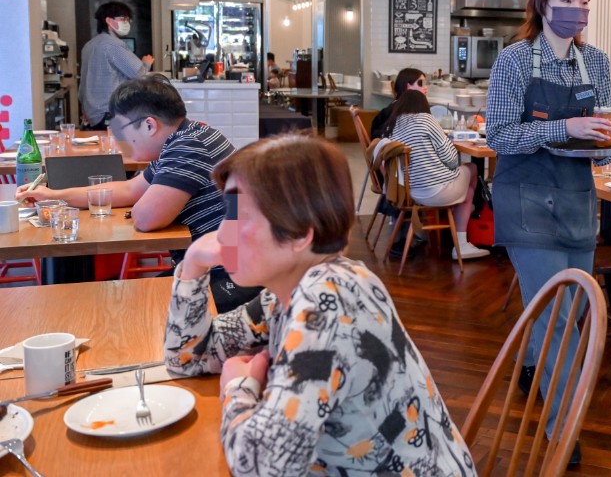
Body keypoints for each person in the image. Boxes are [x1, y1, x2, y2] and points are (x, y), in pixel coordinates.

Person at [163, 135, 475, 476]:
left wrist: (238, 388)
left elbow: (262, 467)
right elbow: (187, 357)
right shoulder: (288, 293)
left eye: (240, 216)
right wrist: (192, 266)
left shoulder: (327, 299)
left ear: (300, 233)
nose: (223, 234)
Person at [485, 0, 611, 466]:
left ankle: (536, 363)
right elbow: (499, 136)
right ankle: (563, 429)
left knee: (574, 312)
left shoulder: (597, 63)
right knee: (558, 318)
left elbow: (605, 143)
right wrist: (563, 128)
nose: (576, 11)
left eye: (582, 2)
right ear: (542, 5)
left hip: (578, 200)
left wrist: (607, 144)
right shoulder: (516, 60)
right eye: (565, 1)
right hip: (526, 200)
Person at [17, 77, 254, 307]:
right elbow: (130, 188)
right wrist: (53, 195)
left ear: (149, 125)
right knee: (120, 303)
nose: (120, 140)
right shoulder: (186, 136)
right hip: (219, 268)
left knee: (126, 308)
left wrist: (144, 204)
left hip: (235, 278)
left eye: (121, 131)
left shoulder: (187, 146)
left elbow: (145, 218)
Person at [381, 90, 488, 260]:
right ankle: (463, 234)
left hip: (412, 192)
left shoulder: (393, 125)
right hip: (439, 191)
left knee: (466, 192)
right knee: (472, 169)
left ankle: (461, 211)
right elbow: (452, 160)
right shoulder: (427, 120)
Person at [78, 1, 155, 130]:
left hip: (92, 114)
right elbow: (139, 75)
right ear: (108, 21)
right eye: (123, 19)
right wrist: (146, 63)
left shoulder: (89, 45)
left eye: (128, 20)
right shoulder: (113, 44)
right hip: (108, 113)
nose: (127, 23)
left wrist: (85, 109)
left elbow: (83, 83)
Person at [370, 67, 428, 139]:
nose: (425, 87)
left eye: (425, 83)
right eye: (421, 83)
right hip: (390, 147)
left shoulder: (399, 105)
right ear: (408, 86)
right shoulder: (402, 109)